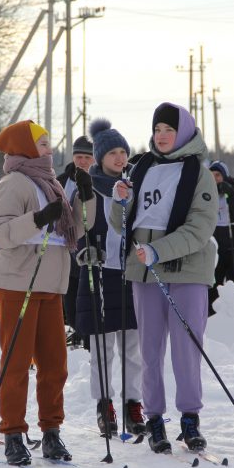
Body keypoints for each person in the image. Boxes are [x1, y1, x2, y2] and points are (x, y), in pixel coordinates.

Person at [110, 102, 218, 454]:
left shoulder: (198, 171)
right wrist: (119, 202)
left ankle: (190, 418)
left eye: (169, 130)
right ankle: (155, 419)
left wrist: (160, 250)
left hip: (186, 268)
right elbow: (121, 224)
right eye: (158, 130)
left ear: (183, 131)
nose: (162, 136)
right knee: (150, 348)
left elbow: (201, 227)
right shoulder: (141, 166)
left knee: (186, 348)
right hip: (145, 270)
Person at [0, 119, 95, 465]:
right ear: (25, 147)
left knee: (55, 364)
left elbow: (73, 230)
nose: (48, 147)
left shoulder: (52, 183)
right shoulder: (13, 183)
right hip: (18, 281)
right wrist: (37, 218)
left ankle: (51, 432)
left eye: (47, 142)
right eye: (42, 142)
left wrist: (85, 198)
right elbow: (1, 233)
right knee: (16, 363)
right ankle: (14, 434)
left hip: (51, 282)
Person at [75, 119, 145, 437]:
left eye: (123, 152)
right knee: (102, 348)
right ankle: (105, 405)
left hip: (130, 275)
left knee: (133, 347)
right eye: (113, 152)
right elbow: (76, 226)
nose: (119, 158)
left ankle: (133, 404)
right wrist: (84, 248)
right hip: (98, 275)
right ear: (100, 157)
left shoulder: (132, 187)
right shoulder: (86, 188)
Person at [56, 135, 95, 349]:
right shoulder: (61, 181)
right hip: (66, 249)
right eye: (79, 156)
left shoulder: (100, 179)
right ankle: (77, 333)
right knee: (70, 305)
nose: (82, 161)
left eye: (87, 157)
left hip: (91, 250)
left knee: (89, 302)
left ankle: (89, 340)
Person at [208, 160, 234, 304]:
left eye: (218, 175)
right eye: (211, 175)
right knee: (213, 286)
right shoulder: (206, 191)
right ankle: (212, 315)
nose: (214, 179)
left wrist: (231, 194)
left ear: (224, 176)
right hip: (216, 247)